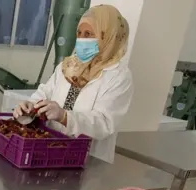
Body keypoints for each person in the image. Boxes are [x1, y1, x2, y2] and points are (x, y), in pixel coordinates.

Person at [13, 4, 132, 163]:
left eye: (88, 34)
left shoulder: (118, 76)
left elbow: (104, 123)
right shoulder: (68, 65)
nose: (82, 39)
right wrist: (30, 106)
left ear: (108, 37)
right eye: (79, 33)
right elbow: (45, 92)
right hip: (51, 148)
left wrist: (64, 117)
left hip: (88, 159)